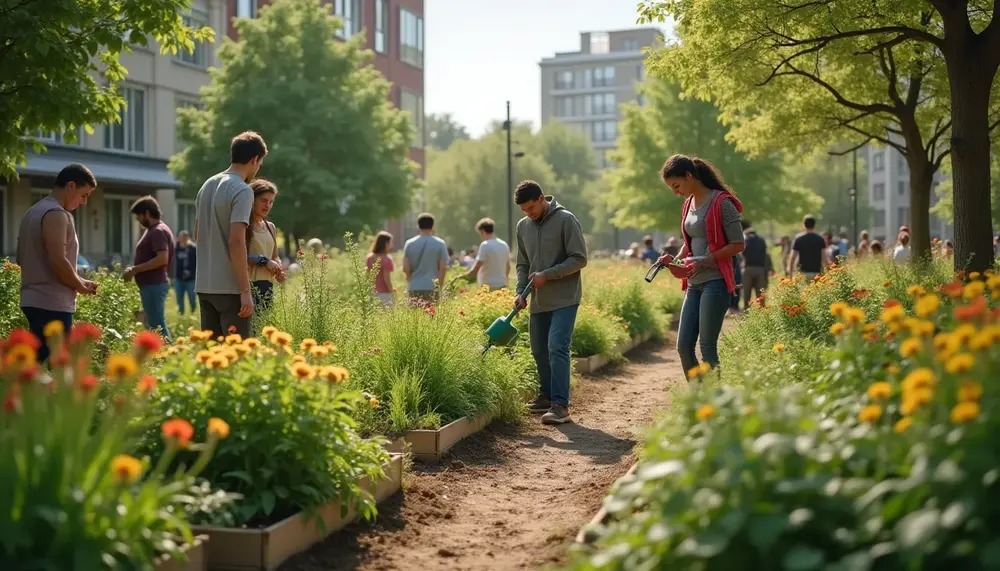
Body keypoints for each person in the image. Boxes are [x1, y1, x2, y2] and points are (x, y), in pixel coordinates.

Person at [655, 155, 744, 380]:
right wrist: (673, 260)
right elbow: (690, 242)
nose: (676, 192)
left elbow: (738, 244)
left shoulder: (722, 203)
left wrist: (707, 259)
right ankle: (698, 399)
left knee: (707, 347)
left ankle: (714, 405)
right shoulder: (688, 204)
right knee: (683, 346)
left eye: (677, 185)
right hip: (694, 284)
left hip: (716, 283)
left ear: (689, 176)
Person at [515, 180, 588, 425]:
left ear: (540, 198)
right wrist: (520, 292)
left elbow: (579, 259)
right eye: (524, 210)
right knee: (538, 349)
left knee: (557, 345)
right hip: (538, 300)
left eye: (531, 208)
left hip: (565, 297)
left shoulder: (566, 219)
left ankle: (560, 405)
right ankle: (546, 396)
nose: (528, 213)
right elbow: (523, 264)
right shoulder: (523, 226)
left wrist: (548, 274)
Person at [17, 163, 99, 362]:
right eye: (84, 195)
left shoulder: (32, 212)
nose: (84, 202)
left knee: (35, 367)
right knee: (56, 370)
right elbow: (57, 260)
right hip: (52, 305)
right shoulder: (56, 214)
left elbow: (23, 258)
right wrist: (80, 286)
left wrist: (78, 278)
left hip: (32, 300)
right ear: (71, 185)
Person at [194, 131, 267, 338]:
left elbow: (197, 234)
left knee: (212, 358)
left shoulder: (206, 186)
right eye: (260, 162)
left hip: (205, 286)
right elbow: (236, 241)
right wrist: (245, 291)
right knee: (238, 360)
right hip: (230, 289)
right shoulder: (242, 190)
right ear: (254, 159)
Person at [123, 196, 175, 342]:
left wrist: (135, 269)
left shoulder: (158, 231)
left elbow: (162, 258)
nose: (138, 220)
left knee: (157, 325)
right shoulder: (155, 230)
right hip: (152, 285)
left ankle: (168, 356)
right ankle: (162, 356)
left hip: (154, 284)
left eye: (139, 216)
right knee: (153, 324)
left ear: (146, 213)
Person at [246, 179, 284, 314]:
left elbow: (275, 256)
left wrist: (278, 269)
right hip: (248, 286)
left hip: (267, 285)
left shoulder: (270, 227)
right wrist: (264, 261)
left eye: (271, 202)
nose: (267, 205)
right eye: (263, 200)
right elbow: (237, 255)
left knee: (264, 330)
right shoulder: (243, 225)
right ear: (252, 200)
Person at [402, 213, 449, 306]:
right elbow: (442, 268)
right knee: (431, 316)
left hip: (414, 286)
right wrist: (440, 286)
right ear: (433, 226)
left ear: (418, 226)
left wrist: (410, 278)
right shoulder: (440, 244)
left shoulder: (409, 243)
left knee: (415, 318)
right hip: (432, 287)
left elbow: (405, 267)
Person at [459, 218, 510, 291]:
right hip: (502, 286)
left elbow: (476, 268)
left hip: (487, 287)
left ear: (482, 231)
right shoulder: (504, 245)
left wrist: (461, 277)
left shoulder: (485, 245)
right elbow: (508, 267)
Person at [787, 215, 828, 282]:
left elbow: (792, 257)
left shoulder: (799, 239)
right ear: (814, 225)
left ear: (804, 225)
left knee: (803, 292)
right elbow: (824, 259)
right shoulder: (820, 239)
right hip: (817, 273)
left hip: (802, 273)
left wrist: (790, 274)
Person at [741, 220, 770, 310]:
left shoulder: (745, 240)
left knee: (747, 293)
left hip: (748, 269)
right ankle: (762, 312)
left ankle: (746, 312)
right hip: (760, 269)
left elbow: (742, 255)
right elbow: (766, 255)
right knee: (760, 294)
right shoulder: (761, 240)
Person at [366, 231, 395, 307]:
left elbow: (368, 276)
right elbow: (386, 278)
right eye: (390, 242)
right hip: (385, 294)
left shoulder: (369, 257)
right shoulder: (387, 259)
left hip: (372, 294)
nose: (392, 244)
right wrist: (392, 292)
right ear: (386, 243)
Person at [174, 231, 197, 315]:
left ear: (187, 238)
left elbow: (197, 263)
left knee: (192, 297)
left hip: (190, 279)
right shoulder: (177, 248)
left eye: (184, 237)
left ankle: (193, 312)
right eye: (181, 237)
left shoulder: (192, 249)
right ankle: (181, 313)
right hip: (179, 278)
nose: (182, 239)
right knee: (179, 297)